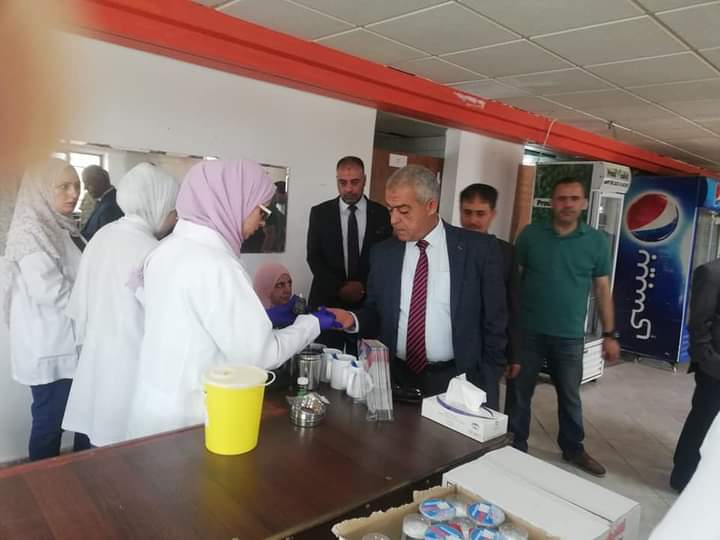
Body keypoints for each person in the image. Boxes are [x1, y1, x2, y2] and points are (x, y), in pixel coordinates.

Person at [126, 160, 344, 439]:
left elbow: (192, 322)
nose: (263, 222)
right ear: (232, 202)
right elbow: (262, 355)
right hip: (190, 415)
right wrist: (312, 323)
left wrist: (264, 320)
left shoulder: (165, 250)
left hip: (153, 404)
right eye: (262, 210)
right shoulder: (217, 265)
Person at [352, 165, 507, 406]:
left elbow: (495, 322)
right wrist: (351, 319)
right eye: (391, 209)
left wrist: (487, 378)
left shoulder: (478, 250)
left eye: (404, 211)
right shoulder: (383, 253)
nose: (394, 220)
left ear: (431, 206)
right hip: (397, 378)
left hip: (458, 380)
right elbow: (376, 312)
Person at [61, 163, 179, 447]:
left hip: (96, 355)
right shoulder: (153, 251)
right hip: (131, 363)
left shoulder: (103, 235)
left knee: (95, 438)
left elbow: (81, 304)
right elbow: (164, 322)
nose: (175, 216)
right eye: (172, 208)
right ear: (156, 203)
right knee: (124, 448)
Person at [509, 177, 620, 477]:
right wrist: (509, 328)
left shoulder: (595, 241)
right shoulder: (530, 235)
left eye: (574, 198)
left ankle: (573, 449)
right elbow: (513, 282)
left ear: (584, 203)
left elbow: (602, 289)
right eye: (561, 198)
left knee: (570, 396)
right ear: (552, 202)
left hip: (569, 336)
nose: (567, 204)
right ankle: (514, 445)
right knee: (519, 393)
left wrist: (609, 334)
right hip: (528, 332)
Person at [0, 158, 90, 460]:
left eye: (76, 185)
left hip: (72, 342)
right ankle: (42, 484)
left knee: (80, 418)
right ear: (40, 188)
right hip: (51, 348)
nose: (73, 193)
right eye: (63, 186)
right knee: (50, 424)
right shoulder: (30, 232)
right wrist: (97, 305)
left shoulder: (63, 227)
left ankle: (80, 479)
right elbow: (50, 291)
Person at [459, 183, 521, 413]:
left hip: (488, 353)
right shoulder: (447, 246)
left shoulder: (506, 252)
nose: (473, 220)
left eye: (480, 214)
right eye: (467, 212)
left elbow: (513, 305)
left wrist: (514, 354)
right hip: (452, 351)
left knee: (484, 413)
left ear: (492, 214)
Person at [307, 156, 392, 310]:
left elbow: (385, 258)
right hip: (327, 299)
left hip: (368, 301)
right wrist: (339, 288)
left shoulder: (381, 214)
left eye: (355, 182)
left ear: (364, 180)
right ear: (337, 181)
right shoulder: (320, 213)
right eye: (343, 182)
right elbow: (314, 257)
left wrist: (363, 286)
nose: (348, 189)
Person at [670, 258, 720, 491]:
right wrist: (711, 362)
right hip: (714, 371)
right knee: (702, 422)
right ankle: (683, 475)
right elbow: (699, 325)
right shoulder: (711, 273)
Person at [81, 165, 124, 240]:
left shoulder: (111, 207)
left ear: (101, 181)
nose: (85, 187)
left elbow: (108, 241)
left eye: (88, 183)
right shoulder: (104, 201)